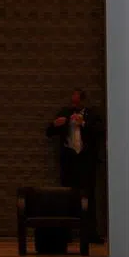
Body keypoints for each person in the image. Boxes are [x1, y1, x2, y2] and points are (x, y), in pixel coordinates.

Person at [46, 88, 104, 243]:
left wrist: (83, 123)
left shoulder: (92, 115)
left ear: (83, 101)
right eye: (73, 101)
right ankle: (66, 235)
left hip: (86, 162)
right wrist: (55, 124)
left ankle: (91, 233)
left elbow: (101, 130)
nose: (74, 104)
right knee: (67, 197)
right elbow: (49, 132)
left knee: (89, 198)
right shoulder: (65, 112)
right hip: (69, 161)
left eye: (77, 101)